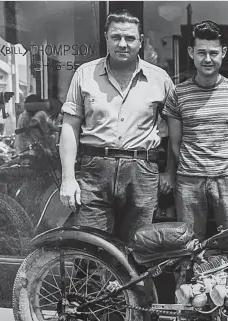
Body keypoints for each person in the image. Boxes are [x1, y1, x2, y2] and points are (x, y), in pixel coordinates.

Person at [58, 9, 174, 243]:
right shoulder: (85, 74)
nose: (123, 44)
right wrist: (68, 179)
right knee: (91, 246)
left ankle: (134, 282)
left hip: (142, 170)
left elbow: (175, 131)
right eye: (116, 37)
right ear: (106, 39)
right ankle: (93, 282)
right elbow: (69, 127)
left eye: (130, 38)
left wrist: (169, 171)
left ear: (140, 42)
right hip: (95, 169)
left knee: (139, 247)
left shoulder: (160, 79)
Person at [163, 20, 228, 240]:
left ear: (222, 53)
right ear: (191, 53)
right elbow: (174, 144)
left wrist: (224, 169)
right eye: (201, 52)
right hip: (189, 182)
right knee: (188, 247)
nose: (207, 59)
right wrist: (193, 168)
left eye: (213, 53)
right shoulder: (178, 93)